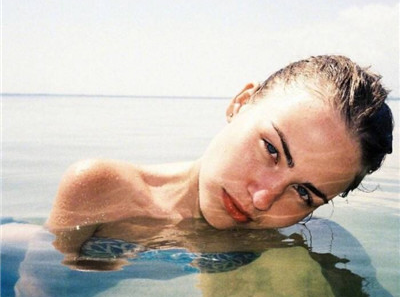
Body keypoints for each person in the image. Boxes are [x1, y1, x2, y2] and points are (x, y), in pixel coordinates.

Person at [47, 55, 393, 232]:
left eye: (304, 193)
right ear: (240, 103)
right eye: (271, 149)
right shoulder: (104, 189)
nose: (262, 199)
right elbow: (41, 290)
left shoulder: (286, 241)